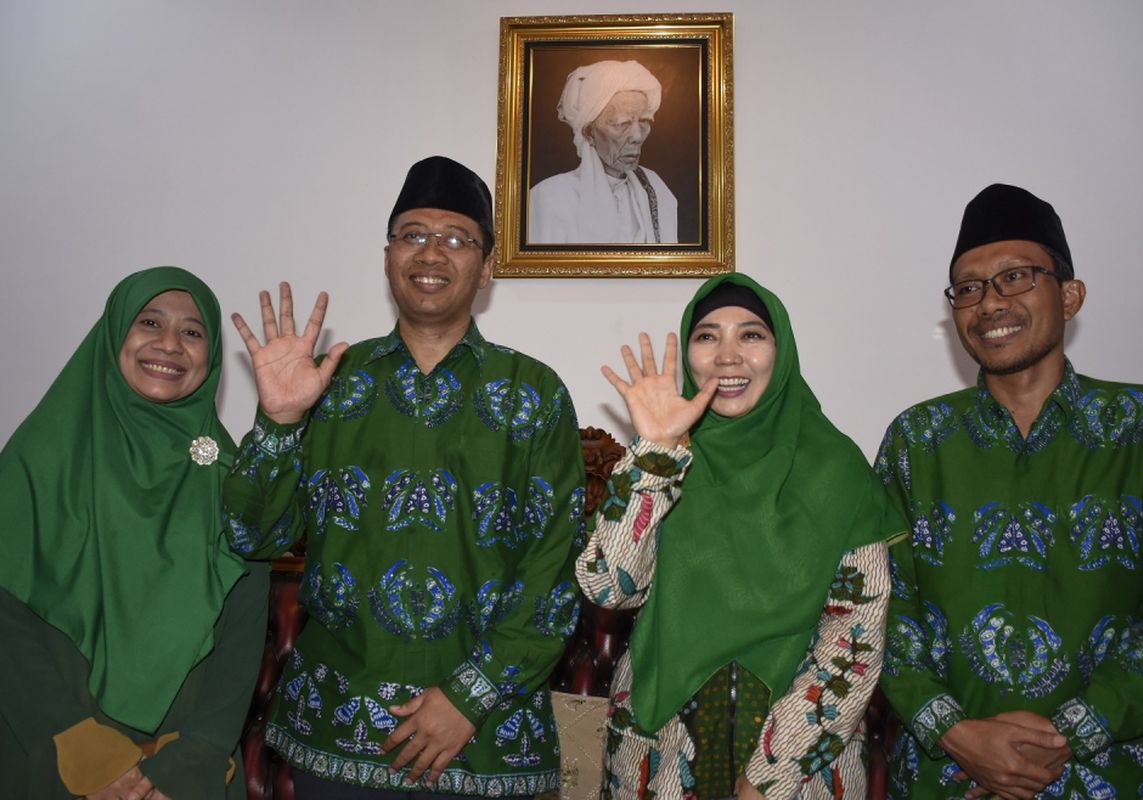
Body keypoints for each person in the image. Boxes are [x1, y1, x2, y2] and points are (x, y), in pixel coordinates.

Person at [223, 156, 586, 798]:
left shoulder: (534, 393)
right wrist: (278, 423)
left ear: (488, 266)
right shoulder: (329, 383)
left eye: (456, 238)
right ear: (387, 255)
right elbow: (251, 534)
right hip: (339, 727)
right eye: (412, 234)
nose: (431, 253)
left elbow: (552, 573)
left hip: (487, 737)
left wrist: (468, 698)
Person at [875, 184, 1143, 798]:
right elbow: (882, 604)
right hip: (948, 775)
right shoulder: (917, 440)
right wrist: (957, 733)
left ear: (1070, 295)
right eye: (968, 288)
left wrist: (1066, 735)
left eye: (1016, 277)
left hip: (1111, 772)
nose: (990, 302)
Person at [577, 273, 904, 799]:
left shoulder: (838, 471)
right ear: (689, 352)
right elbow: (607, 587)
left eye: (751, 335)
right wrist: (655, 455)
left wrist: (763, 781)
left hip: (801, 769)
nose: (727, 355)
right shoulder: (666, 459)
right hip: (658, 757)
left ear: (782, 350)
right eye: (707, 336)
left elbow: (854, 645)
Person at [0, 266, 268, 800]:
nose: (170, 344)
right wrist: (85, 753)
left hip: (187, 769)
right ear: (114, 333)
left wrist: (189, 761)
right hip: (54, 754)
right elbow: (7, 619)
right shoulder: (37, 458)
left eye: (193, 332)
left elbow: (241, 640)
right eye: (149, 322)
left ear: (210, 355)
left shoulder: (230, 479)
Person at [528, 59, 679, 244]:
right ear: (589, 132)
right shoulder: (550, 198)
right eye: (623, 124)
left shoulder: (656, 188)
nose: (637, 136)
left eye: (644, 121)